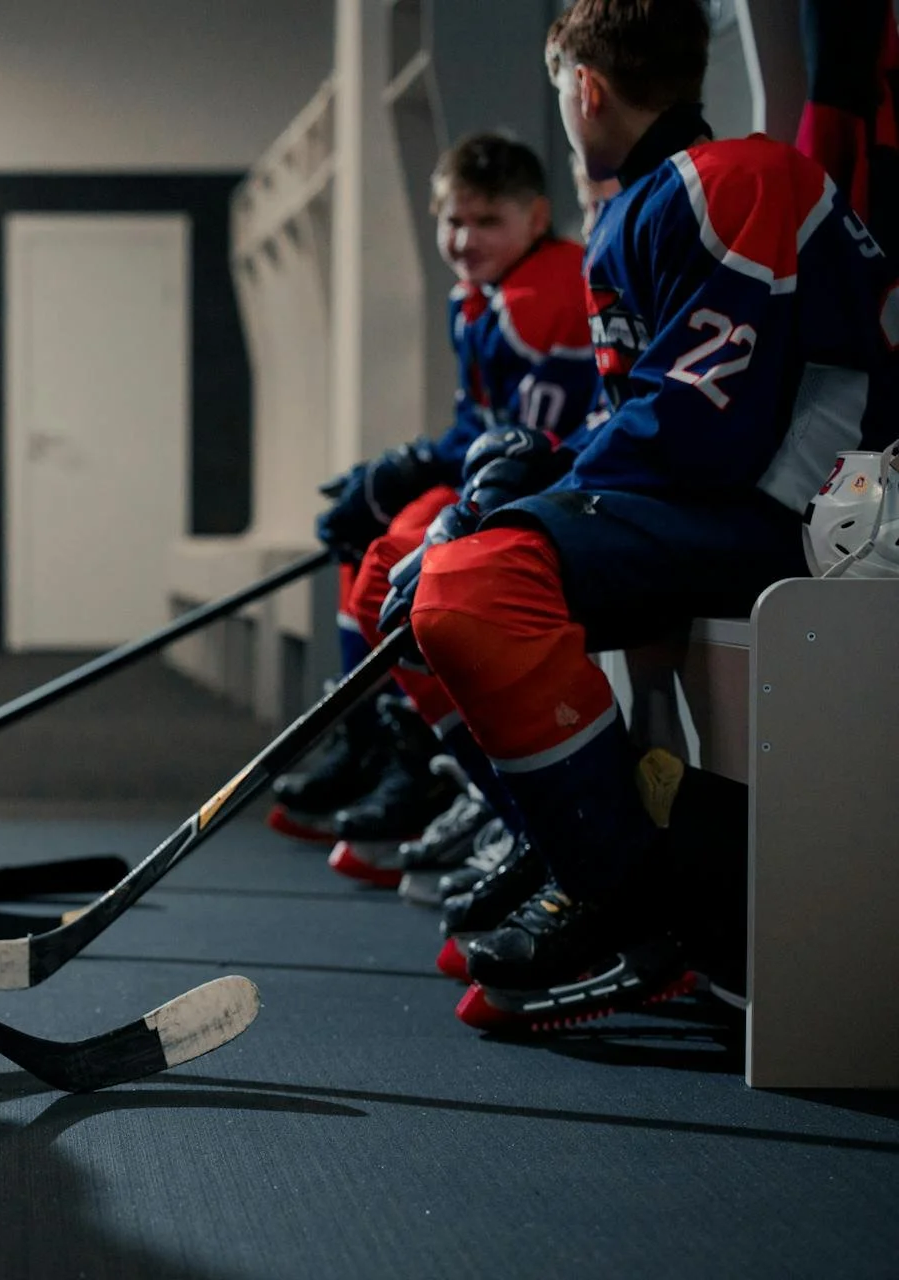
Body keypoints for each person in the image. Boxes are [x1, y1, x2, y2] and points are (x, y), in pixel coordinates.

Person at [383, 0, 896, 1029]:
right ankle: (574, 840)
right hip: (728, 500)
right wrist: (549, 469)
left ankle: (628, 898)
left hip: (805, 514)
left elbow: (707, 427)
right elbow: (671, 415)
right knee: (424, 583)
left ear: (583, 89)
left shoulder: (730, 181)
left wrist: (551, 480)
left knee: (469, 584)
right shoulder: (668, 193)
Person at [288, 134, 599, 877]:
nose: (465, 241)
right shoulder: (480, 299)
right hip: (505, 478)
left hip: (554, 496)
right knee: (365, 540)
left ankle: (457, 773)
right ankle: (380, 738)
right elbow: (480, 430)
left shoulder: (542, 295)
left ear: (536, 216)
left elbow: (535, 444)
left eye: (487, 222)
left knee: (392, 561)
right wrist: (401, 466)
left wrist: (421, 473)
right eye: (453, 222)